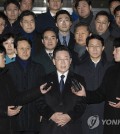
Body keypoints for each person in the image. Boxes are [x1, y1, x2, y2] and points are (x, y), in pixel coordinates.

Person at [73, 37, 120, 134]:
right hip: (86, 115)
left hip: (109, 115)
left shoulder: (110, 67)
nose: (94, 49)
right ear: (87, 48)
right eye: (91, 46)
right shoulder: (78, 69)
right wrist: (84, 94)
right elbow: (100, 93)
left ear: (103, 48)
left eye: (97, 46)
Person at [36, 45, 86, 134]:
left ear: (70, 61)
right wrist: (51, 115)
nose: (63, 63)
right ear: (54, 61)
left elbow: (82, 103)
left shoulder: (79, 79)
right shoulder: (44, 79)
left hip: (72, 127)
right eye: (59, 59)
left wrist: (69, 116)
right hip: (49, 127)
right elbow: (39, 102)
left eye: (66, 59)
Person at [0, 45, 49, 134]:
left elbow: (17, 97)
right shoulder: (9, 70)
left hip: (9, 126)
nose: (4, 59)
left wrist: (38, 91)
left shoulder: (5, 76)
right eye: (2, 56)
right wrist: (4, 111)